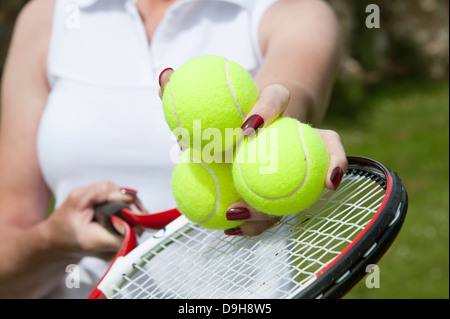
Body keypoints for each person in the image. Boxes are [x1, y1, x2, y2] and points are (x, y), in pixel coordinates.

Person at [0, 0, 347, 298]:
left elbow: (292, 89)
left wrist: (279, 120)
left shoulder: (289, 11)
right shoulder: (49, 15)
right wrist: (54, 241)